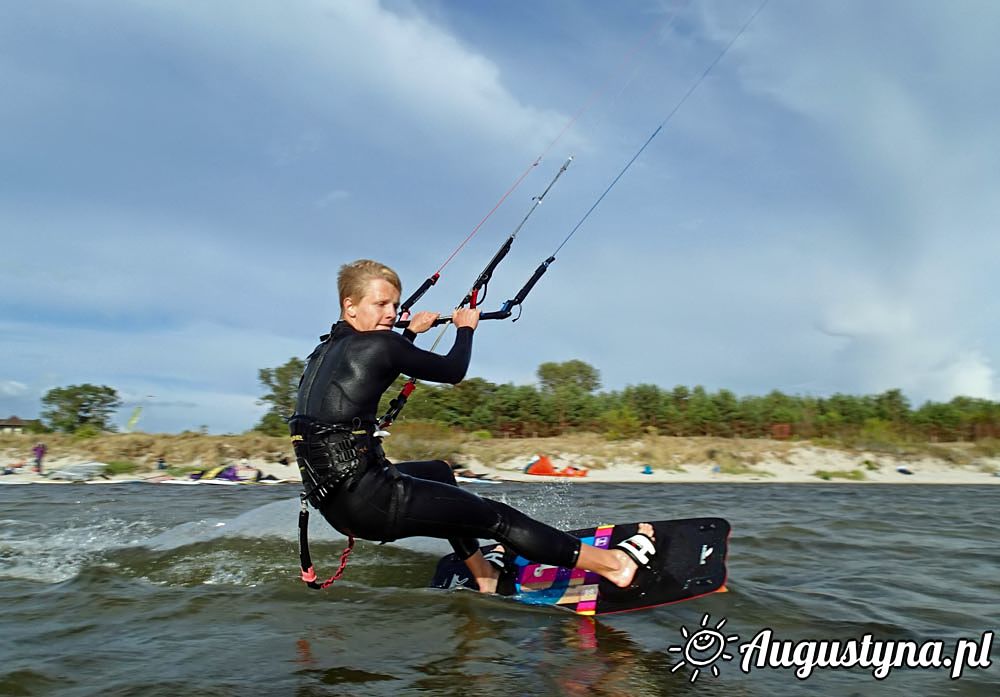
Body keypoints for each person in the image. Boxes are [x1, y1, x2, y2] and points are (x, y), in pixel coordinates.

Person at [290, 259, 656, 593]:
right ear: (349, 306)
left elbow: (367, 375)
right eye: (381, 304)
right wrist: (465, 329)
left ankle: (484, 575)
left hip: (338, 504)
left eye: (395, 304)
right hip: (371, 499)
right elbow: (453, 371)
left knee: (438, 473)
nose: (392, 312)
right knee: (497, 519)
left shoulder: (321, 355)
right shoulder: (381, 345)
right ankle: (615, 565)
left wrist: (410, 335)